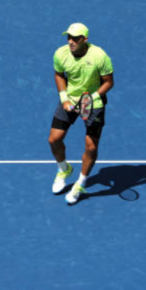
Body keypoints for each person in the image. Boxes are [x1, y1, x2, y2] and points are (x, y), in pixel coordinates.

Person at [48, 23, 114, 204]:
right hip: (70, 99)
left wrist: (91, 98)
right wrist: (64, 98)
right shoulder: (60, 54)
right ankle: (64, 170)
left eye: (75, 38)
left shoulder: (100, 56)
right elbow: (59, 74)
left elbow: (108, 82)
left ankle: (80, 183)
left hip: (94, 102)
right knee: (54, 139)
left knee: (91, 147)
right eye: (68, 37)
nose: (71, 41)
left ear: (85, 39)